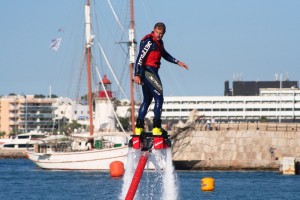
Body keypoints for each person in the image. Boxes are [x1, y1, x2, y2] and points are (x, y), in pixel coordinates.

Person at [134, 22, 189, 135]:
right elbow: (140, 57)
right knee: (159, 98)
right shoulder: (149, 42)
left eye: (161, 34)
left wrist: (177, 62)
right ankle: (156, 127)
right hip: (149, 72)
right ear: (153, 30)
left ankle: (139, 128)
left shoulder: (159, 43)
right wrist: (137, 74)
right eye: (157, 33)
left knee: (147, 100)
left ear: (164, 34)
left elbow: (164, 54)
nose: (158, 35)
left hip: (150, 73)